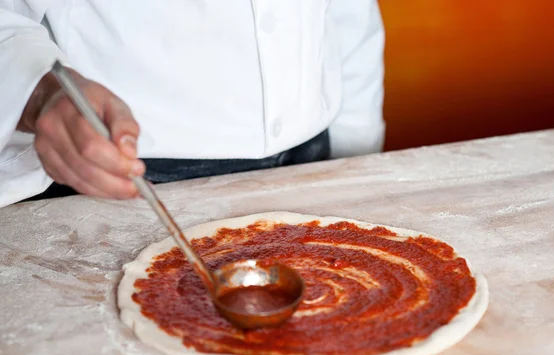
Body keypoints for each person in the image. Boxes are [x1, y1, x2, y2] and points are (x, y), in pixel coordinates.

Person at [0, 1, 385, 207]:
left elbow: (350, 16)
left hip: (316, 164)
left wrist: (358, 163)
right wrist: (41, 93)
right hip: (128, 179)